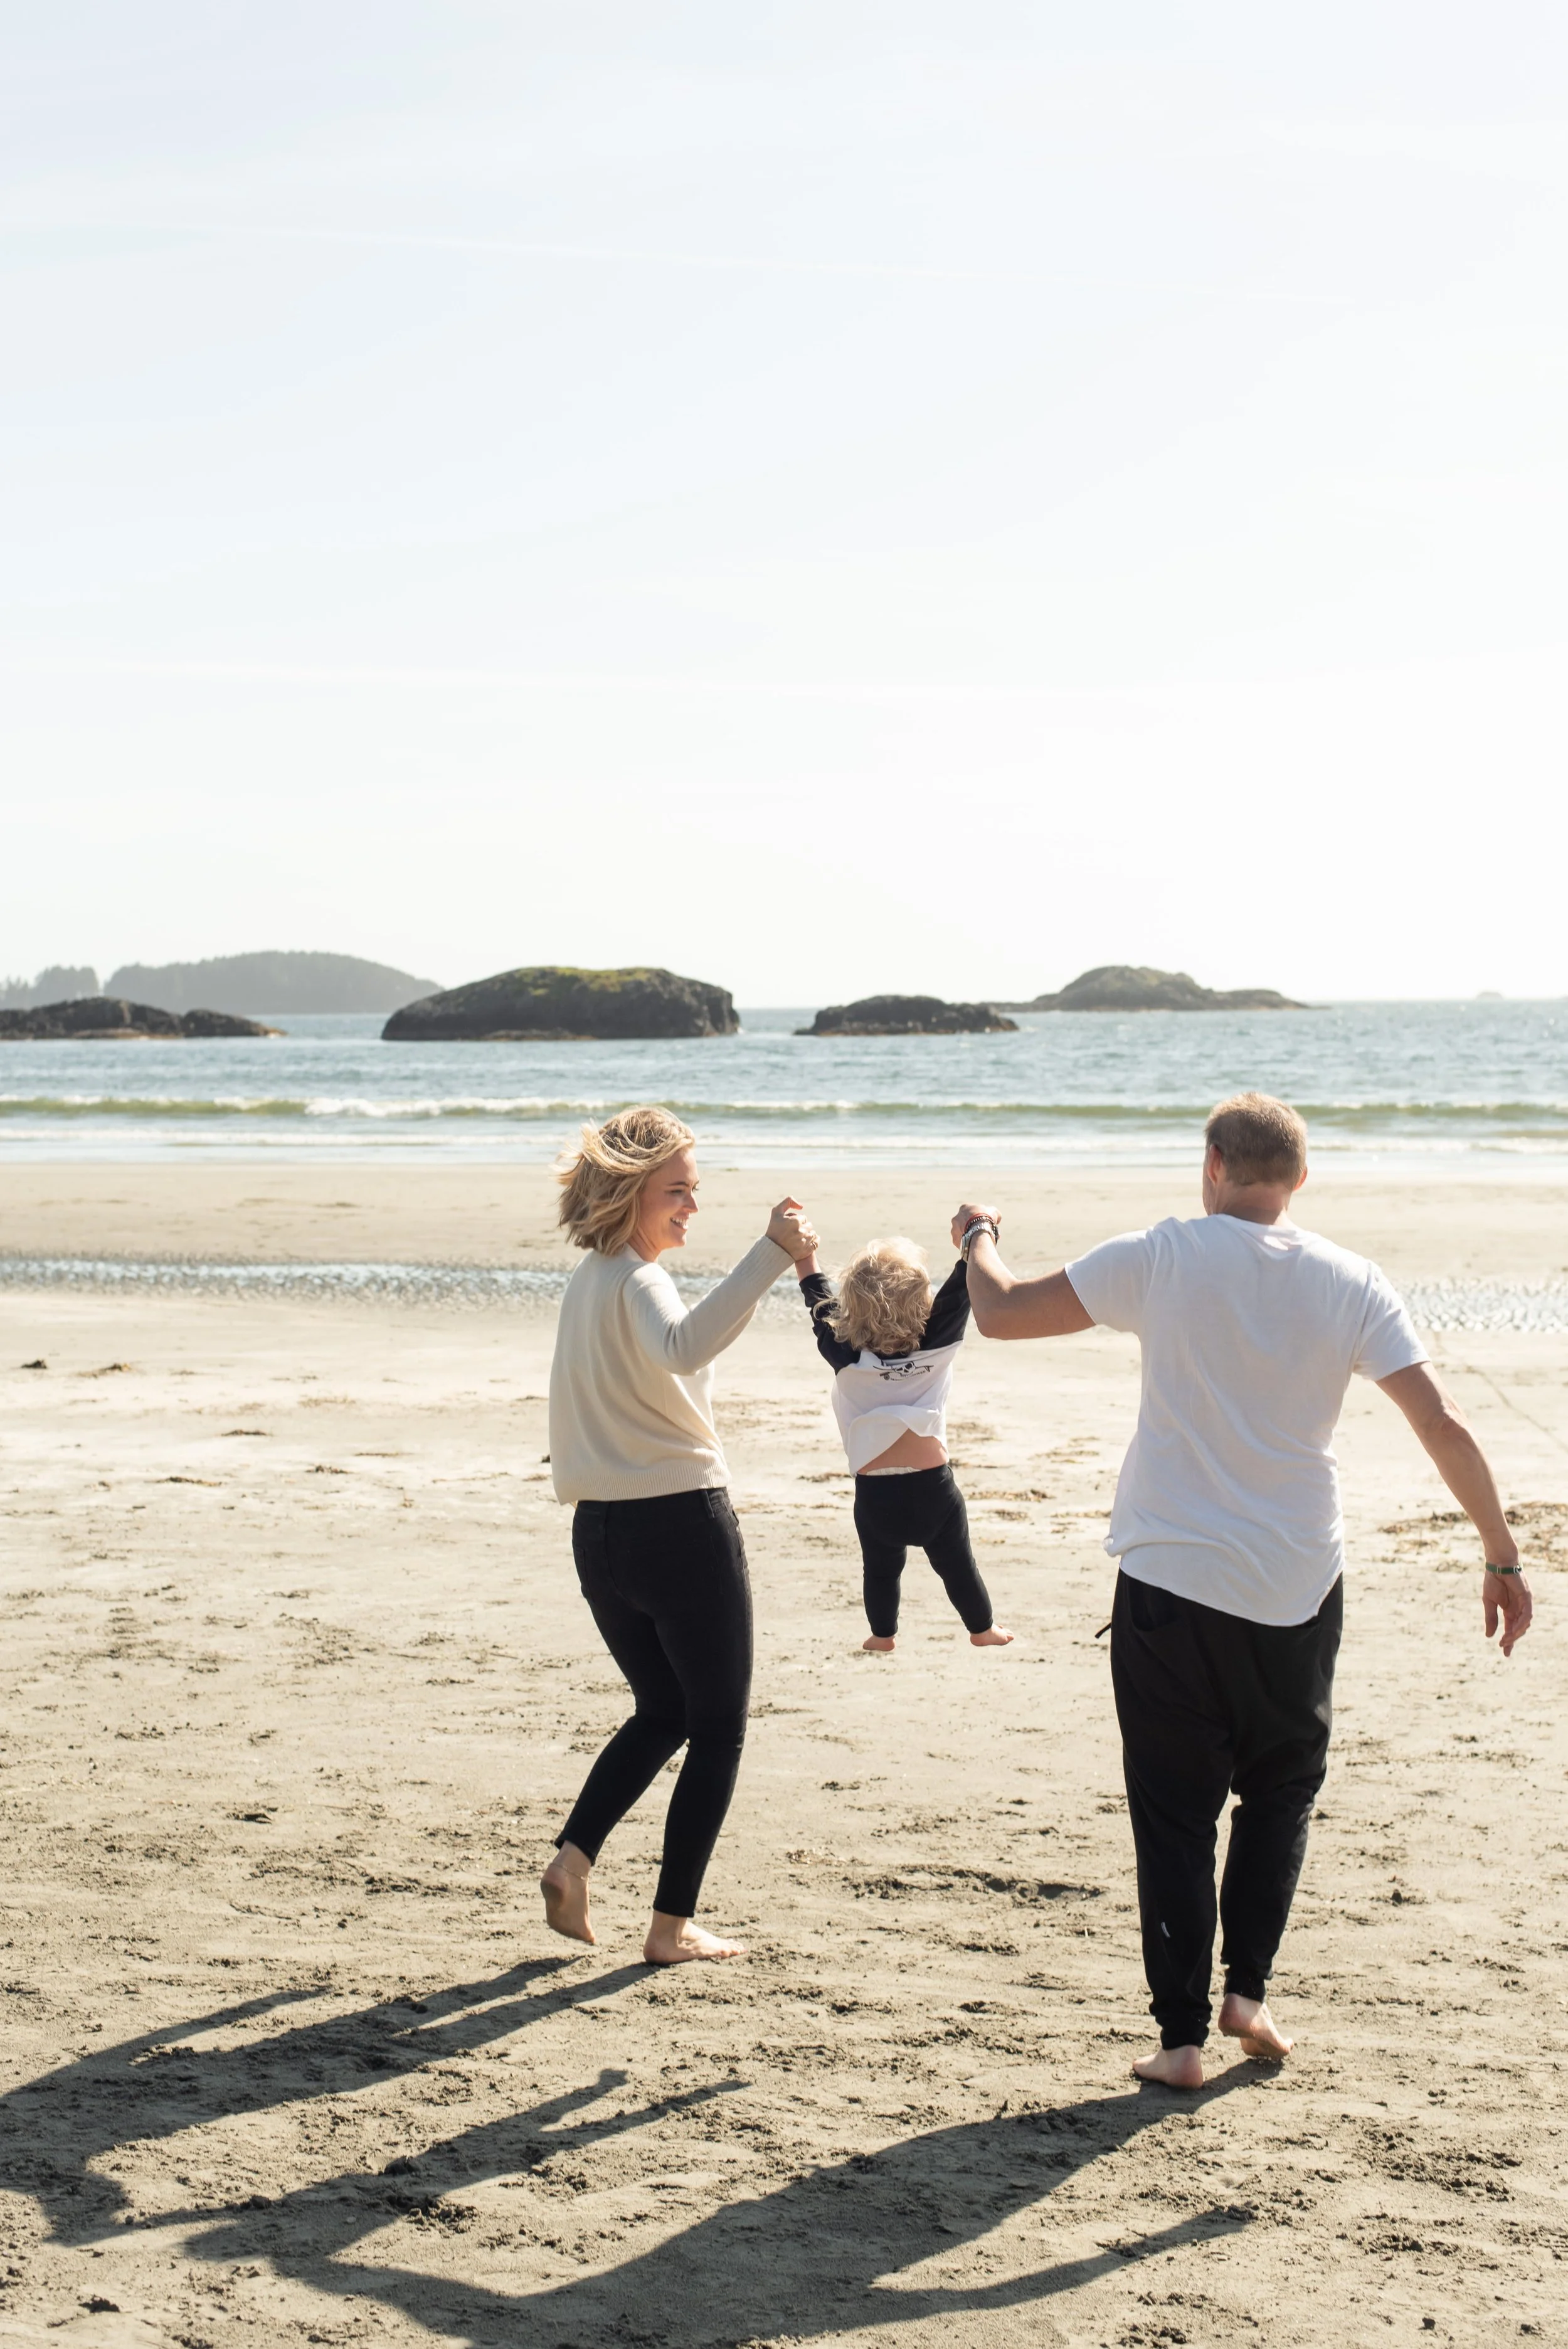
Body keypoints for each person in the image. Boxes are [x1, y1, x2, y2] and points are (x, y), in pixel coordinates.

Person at [954, 1092, 1532, 2087]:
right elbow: (1442, 1423)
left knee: (1174, 1809)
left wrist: (977, 1237)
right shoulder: (1353, 1279)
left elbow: (1000, 1312)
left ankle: (1179, 2041)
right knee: (1281, 1790)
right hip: (1296, 1581)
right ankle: (1248, 1994)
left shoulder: (1164, 1253)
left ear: (1212, 1163)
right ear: (1300, 1180)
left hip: (1171, 1578)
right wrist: (1501, 1553)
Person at [541, 1106, 817, 1965]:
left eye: (696, 1191)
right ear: (629, 1191)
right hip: (679, 1526)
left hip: (600, 1538)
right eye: (678, 1191)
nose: (692, 1207)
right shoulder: (636, 1279)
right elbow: (686, 1344)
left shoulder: (588, 1282)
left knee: (663, 1710)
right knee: (719, 1726)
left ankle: (573, 1859)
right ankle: (671, 1927)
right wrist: (774, 1253)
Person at [793, 1233, 1012, 1653]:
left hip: (875, 1497)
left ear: (852, 1307)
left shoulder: (845, 1355)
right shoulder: (937, 1344)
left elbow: (817, 1300)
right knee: (958, 1567)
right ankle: (982, 1628)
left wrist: (806, 1253)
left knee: (880, 1570)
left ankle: (883, 1634)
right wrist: (977, 1228)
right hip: (935, 1492)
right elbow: (961, 1285)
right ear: (922, 1303)